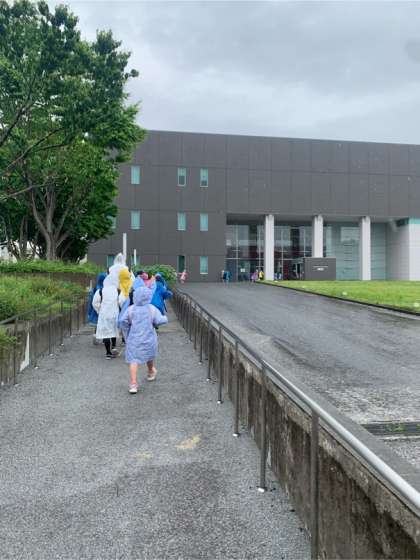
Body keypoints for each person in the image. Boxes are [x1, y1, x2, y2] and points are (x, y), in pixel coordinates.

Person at [120, 287, 168, 393]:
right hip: (148, 337)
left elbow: (123, 321)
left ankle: (133, 384)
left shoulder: (130, 309)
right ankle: (150, 371)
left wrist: (126, 332)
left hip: (134, 338)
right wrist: (165, 318)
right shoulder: (151, 309)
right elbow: (160, 320)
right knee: (149, 354)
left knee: (133, 360)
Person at [93, 276, 120, 359]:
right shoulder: (117, 291)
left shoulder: (100, 291)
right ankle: (114, 347)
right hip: (114, 314)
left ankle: (108, 353)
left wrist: (99, 310)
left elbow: (95, 303)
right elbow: (121, 301)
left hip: (104, 314)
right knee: (113, 331)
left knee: (106, 333)